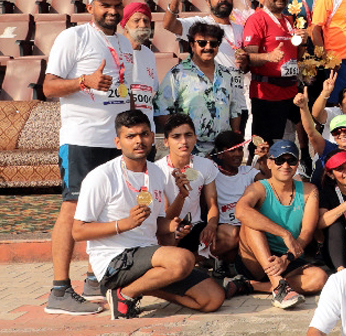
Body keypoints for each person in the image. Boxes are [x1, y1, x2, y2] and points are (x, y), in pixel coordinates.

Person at [74, 110, 225, 319]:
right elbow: (78, 231)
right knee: (182, 260)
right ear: (118, 142)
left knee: (212, 298)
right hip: (115, 260)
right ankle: (124, 295)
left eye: (144, 134)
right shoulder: (101, 177)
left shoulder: (155, 173)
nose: (139, 141)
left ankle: (133, 289)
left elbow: (157, 224)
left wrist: (173, 225)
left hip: (148, 255)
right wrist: (124, 224)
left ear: (153, 138)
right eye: (130, 136)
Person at [43, 0, 135, 314]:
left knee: (106, 208)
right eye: (105, 5)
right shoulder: (74, 38)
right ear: (89, 6)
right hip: (83, 137)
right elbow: (49, 86)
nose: (112, 10)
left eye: (117, 5)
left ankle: (94, 278)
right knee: (73, 207)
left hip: (114, 139)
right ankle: (58, 290)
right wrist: (84, 82)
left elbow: (126, 89)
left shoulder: (124, 42)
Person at [233, 139, 327, 307]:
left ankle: (254, 286)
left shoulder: (309, 190)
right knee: (251, 221)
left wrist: (287, 258)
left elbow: (306, 232)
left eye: (291, 161)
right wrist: (284, 233)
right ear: (269, 163)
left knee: (319, 278)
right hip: (256, 258)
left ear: (297, 164)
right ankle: (279, 286)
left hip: (288, 258)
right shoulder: (259, 187)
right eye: (279, 160)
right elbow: (240, 211)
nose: (285, 165)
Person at [155, 22, 246, 156]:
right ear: (192, 45)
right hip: (190, 150)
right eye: (202, 43)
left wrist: (232, 140)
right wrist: (179, 139)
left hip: (221, 150)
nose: (208, 47)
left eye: (213, 44)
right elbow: (161, 109)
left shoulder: (227, 75)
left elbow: (235, 108)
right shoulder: (177, 74)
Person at [243, 0, 305, 145]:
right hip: (266, 94)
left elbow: (293, 57)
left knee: (289, 144)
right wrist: (268, 57)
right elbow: (248, 58)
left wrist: (303, 44)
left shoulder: (288, 21)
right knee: (263, 146)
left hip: (290, 91)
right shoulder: (256, 19)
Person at [155, 114, 219, 258]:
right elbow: (166, 217)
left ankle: (193, 260)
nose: (183, 141)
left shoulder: (206, 165)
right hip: (169, 230)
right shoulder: (156, 170)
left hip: (196, 226)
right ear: (166, 142)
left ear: (195, 138)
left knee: (230, 235)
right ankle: (185, 263)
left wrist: (211, 225)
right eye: (176, 136)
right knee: (167, 236)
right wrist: (181, 196)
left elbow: (212, 204)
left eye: (188, 135)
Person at [163, 0, 248, 77]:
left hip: (239, 88)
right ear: (208, 2)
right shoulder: (200, 25)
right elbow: (169, 25)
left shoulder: (241, 29)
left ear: (232, 0)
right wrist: (176, 0)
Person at [295, 88, 346, 183]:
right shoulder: (329, 150)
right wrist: (303, 108)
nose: (342, 134)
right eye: (336, 132)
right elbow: (311, 133)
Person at [209, 130, 263, 274]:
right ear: (220, 154)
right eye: (232, 150)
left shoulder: (248, 171)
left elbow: (269, 185)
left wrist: (264, 159)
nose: (238, 154)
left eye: (240, 149)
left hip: (247, 227)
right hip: (224, 229)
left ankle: (230, 265)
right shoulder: (212, 174)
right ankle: (214, 259)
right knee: (233, 234)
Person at [119, 2, 160, 129]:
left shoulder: (149, 54)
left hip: (147, 128)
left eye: (146, 21)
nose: (142, 25)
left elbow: (152, 90)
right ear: (125, 24)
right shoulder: (116, 50)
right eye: (136, 20)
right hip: (125, 128)